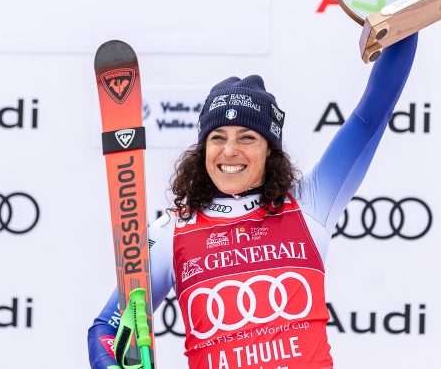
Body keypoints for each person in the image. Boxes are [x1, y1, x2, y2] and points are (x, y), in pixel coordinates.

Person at [87, 29, 419, 368]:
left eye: (247, 137)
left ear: (269, 151)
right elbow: (106, 329)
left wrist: (406, 13)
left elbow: (371, 116)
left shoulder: (309, 204)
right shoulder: (172, 231)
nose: (230, 151)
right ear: (203, 150)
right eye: (217, 137)